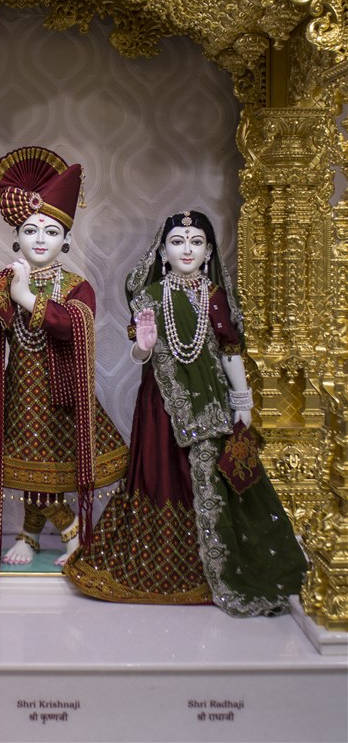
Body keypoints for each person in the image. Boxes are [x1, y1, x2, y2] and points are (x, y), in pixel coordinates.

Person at [0, 146, 128, 622]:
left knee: (49, 466)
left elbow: (75, 327)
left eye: (51, 231)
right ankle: (37, 534)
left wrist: (27, 297)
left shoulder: (76, 286)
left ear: (66, 239)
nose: (40, 239)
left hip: (63, 395)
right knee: (28, 466)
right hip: (17, 394)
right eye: (30, 230)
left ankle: (69, 532)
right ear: (16, 236)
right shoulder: (6, 278)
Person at [64, 209, 307, 617]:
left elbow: (230, 351)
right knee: (162, 472)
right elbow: (140, 354)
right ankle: (166, 565)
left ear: (209, 251)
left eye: (196, 242)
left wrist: (242, 402)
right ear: (163, 252)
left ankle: (215, 568)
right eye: (177, 242)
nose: (187, 249)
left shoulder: (215, 296)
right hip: (161, 404)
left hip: (211, 405)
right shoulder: (149, 296)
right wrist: (143, 345)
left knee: (215, 480)